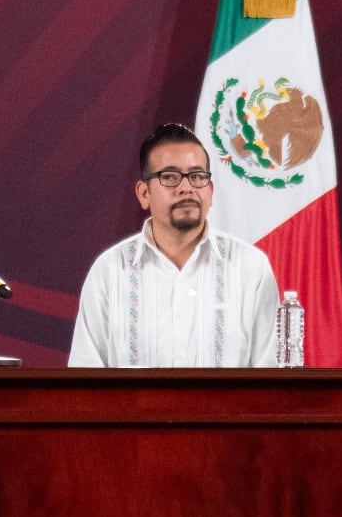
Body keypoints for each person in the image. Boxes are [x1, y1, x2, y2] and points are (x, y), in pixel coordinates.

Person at [69, 124, 280, 367]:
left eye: (197, 176)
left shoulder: (250, 268)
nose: (186, 188)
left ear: (210, 192)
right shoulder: (110, 271)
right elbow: (85, 384)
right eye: (170, 177)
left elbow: (271, 383)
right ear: (143, 193)